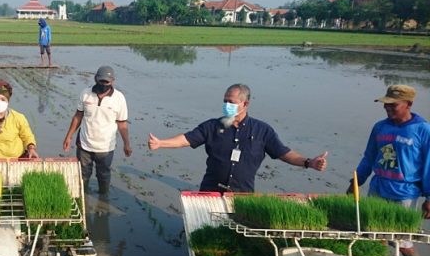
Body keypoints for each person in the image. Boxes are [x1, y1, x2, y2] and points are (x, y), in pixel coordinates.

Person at [148, 83, 328, 193]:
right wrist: (161, 143)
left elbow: (285, 153)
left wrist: (309, 162)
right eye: (225, 101)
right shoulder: (213, 126)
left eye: (231, 102)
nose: (226, 105)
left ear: (245, 104)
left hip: (241, 194)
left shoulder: (262, 131)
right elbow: (187, 139)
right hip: (210, 190)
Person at [347, 85, 430, 256]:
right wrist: (356, 181)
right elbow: (369, 157)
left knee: (402, 239)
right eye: (386, 105)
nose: (388, 108)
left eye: (394, 105)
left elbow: (429, 166)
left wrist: (429, 197)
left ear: (409, 104)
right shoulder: (380, 127)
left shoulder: (423, 130)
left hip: (405, 192)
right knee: (374, 234)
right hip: (378, 187)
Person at [62, 66, 131, 194]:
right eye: (101, 81)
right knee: (82, 175)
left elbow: (122, 124)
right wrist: (69, 136)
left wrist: (126, 144)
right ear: (95, 79)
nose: (103, 84)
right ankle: (83, 198)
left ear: (112, 81)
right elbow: (78, 116)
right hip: (84, 144)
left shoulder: (119, 98)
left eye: (107, 82)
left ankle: (103, 201)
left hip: (105, 147)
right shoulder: (86, 93)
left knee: (103, 175)